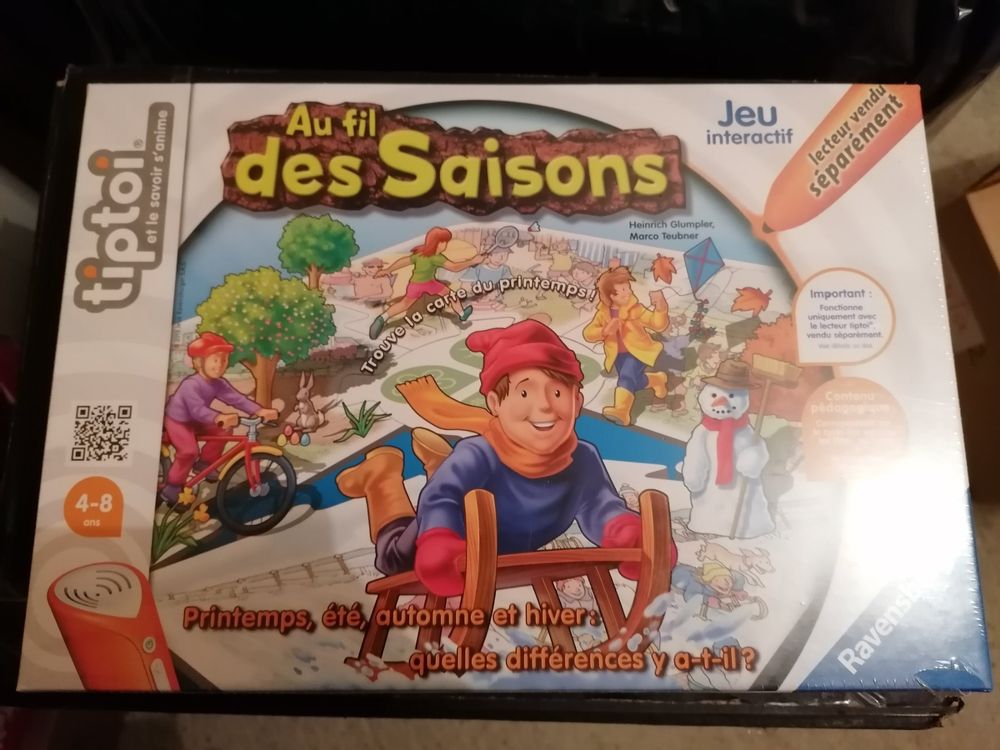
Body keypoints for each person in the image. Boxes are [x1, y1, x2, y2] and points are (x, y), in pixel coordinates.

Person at [336, 319, 677, 596]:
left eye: (558, 392)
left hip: (502, 550)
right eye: (525, 392)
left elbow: (599, 505)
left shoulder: (582, 458)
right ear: (495, 404)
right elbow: (441, 498)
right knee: (392, 556)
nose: (545, 406)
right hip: (447, 541)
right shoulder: (480, 453)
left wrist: (625, 532)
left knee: (455, 476)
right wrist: (440, 540)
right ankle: (381, 476)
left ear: (576, 401)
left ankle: (438, 462)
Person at [161, 332, 278, 504]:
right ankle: (172, 486)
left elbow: (236, 399)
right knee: (189, 451)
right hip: (178, 420)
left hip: (196, 421)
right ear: (199, 362)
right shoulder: (190, 385)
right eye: (215, 360)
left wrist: (259, 410)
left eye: (224, 360)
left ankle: (205, 463)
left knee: (225, 429)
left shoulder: (218, 383)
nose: (220, 365)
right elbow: (197, 410)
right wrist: (218, 417)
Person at [582, 266, 670, 426]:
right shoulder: (603, 313)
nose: (628, 291)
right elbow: (588, 333)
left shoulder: (635, 310)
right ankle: (657, 380)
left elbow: (657, 324)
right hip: (618, 356)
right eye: (623, 289)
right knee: (634, 381)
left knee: (626, 378)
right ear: (611, 295)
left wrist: (661, 307)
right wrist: (605, 330)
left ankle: (621, 412)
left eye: (628, 287)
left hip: (638, 352)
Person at [368, 226, 484, 339]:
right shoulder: (436, 257)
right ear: (437, 243)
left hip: (417, 284)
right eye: (444, 242)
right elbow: (454, 267)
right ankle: (462, 314)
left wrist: (388, 270)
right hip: (428, 284)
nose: (445, 245)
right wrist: (472, 261)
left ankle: (382, 318)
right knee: (450, 295)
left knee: (404, 304)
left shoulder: (420, 254)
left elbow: (404, 261)